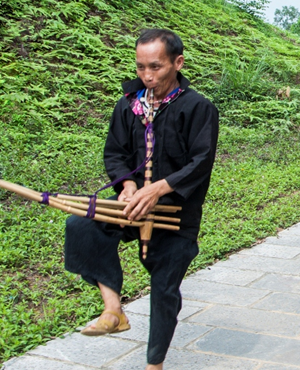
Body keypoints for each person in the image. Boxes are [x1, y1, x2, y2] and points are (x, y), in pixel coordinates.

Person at [64, 29, 219, 370]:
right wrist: (128, 186)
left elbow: (201, 161)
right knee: (81, 224)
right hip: (132, 205)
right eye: (140, 68)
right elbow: (115, 153)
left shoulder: (198, 108)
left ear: (177, 63)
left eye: (156, 67)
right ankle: (113, 309)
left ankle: (154, 365)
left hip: (176, 213)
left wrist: (158, 188)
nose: (148, 77)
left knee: (164, 288)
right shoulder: (128, 105)